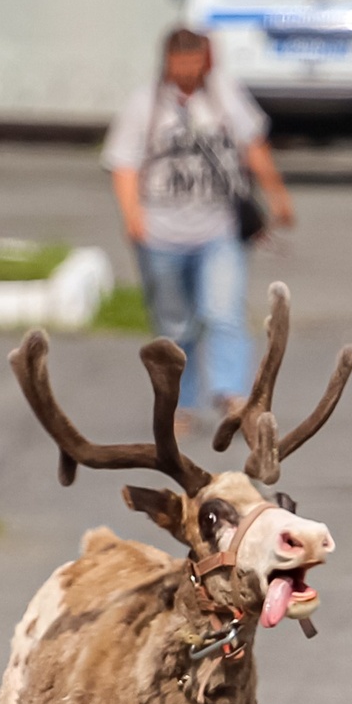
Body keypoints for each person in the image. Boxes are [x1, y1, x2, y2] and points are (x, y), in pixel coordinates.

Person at [102, 27, 296, 432]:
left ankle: (233, 397)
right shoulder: (146, 105)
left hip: (218, 230)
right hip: (161, 233)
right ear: (168, 61)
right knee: (175, 323)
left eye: (196, 59)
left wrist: (277, 195)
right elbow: (123, 162)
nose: (189, 68)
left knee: (224, 313)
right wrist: (132, 215)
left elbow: (253, 146)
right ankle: (179, 405)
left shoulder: (226, 97)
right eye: (182, 59)